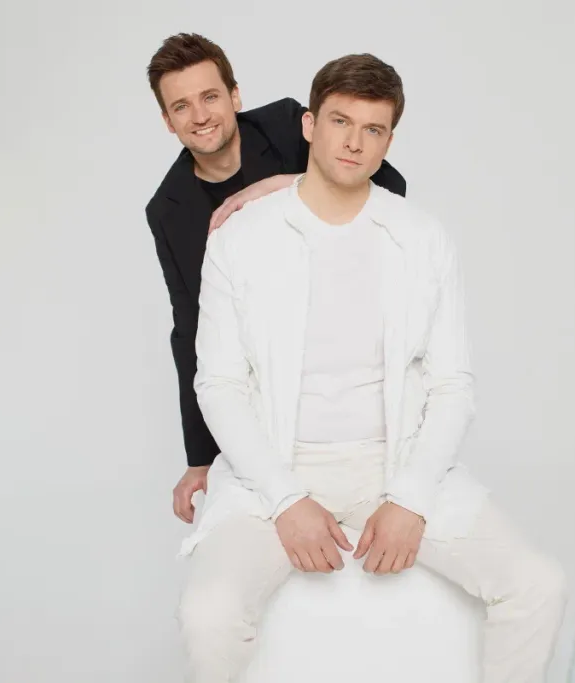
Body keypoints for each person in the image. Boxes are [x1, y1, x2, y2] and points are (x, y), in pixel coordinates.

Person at [179, 53, 569, 683]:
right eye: (340, 122)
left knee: (538, 586)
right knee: (208, 614)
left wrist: (410, 498)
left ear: (389, 141)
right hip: (272, 467)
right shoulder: (240, 239)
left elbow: (452, 384)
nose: (354, 143)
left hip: (393, 460)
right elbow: (218, 384)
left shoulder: (422, 237)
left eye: (373, 130)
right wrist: (285, 498)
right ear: (309, 125)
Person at [144, 33, 407, 524]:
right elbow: (191, 327)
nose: (199, 115)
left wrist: (286, 184)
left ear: (235, 96)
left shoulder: (288, 126)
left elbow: (391, 185)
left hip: (356, 362)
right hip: (269, 392)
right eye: (181, 106)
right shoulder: (167, 210)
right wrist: (199, 458)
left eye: (210, 96)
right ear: (167, 120)